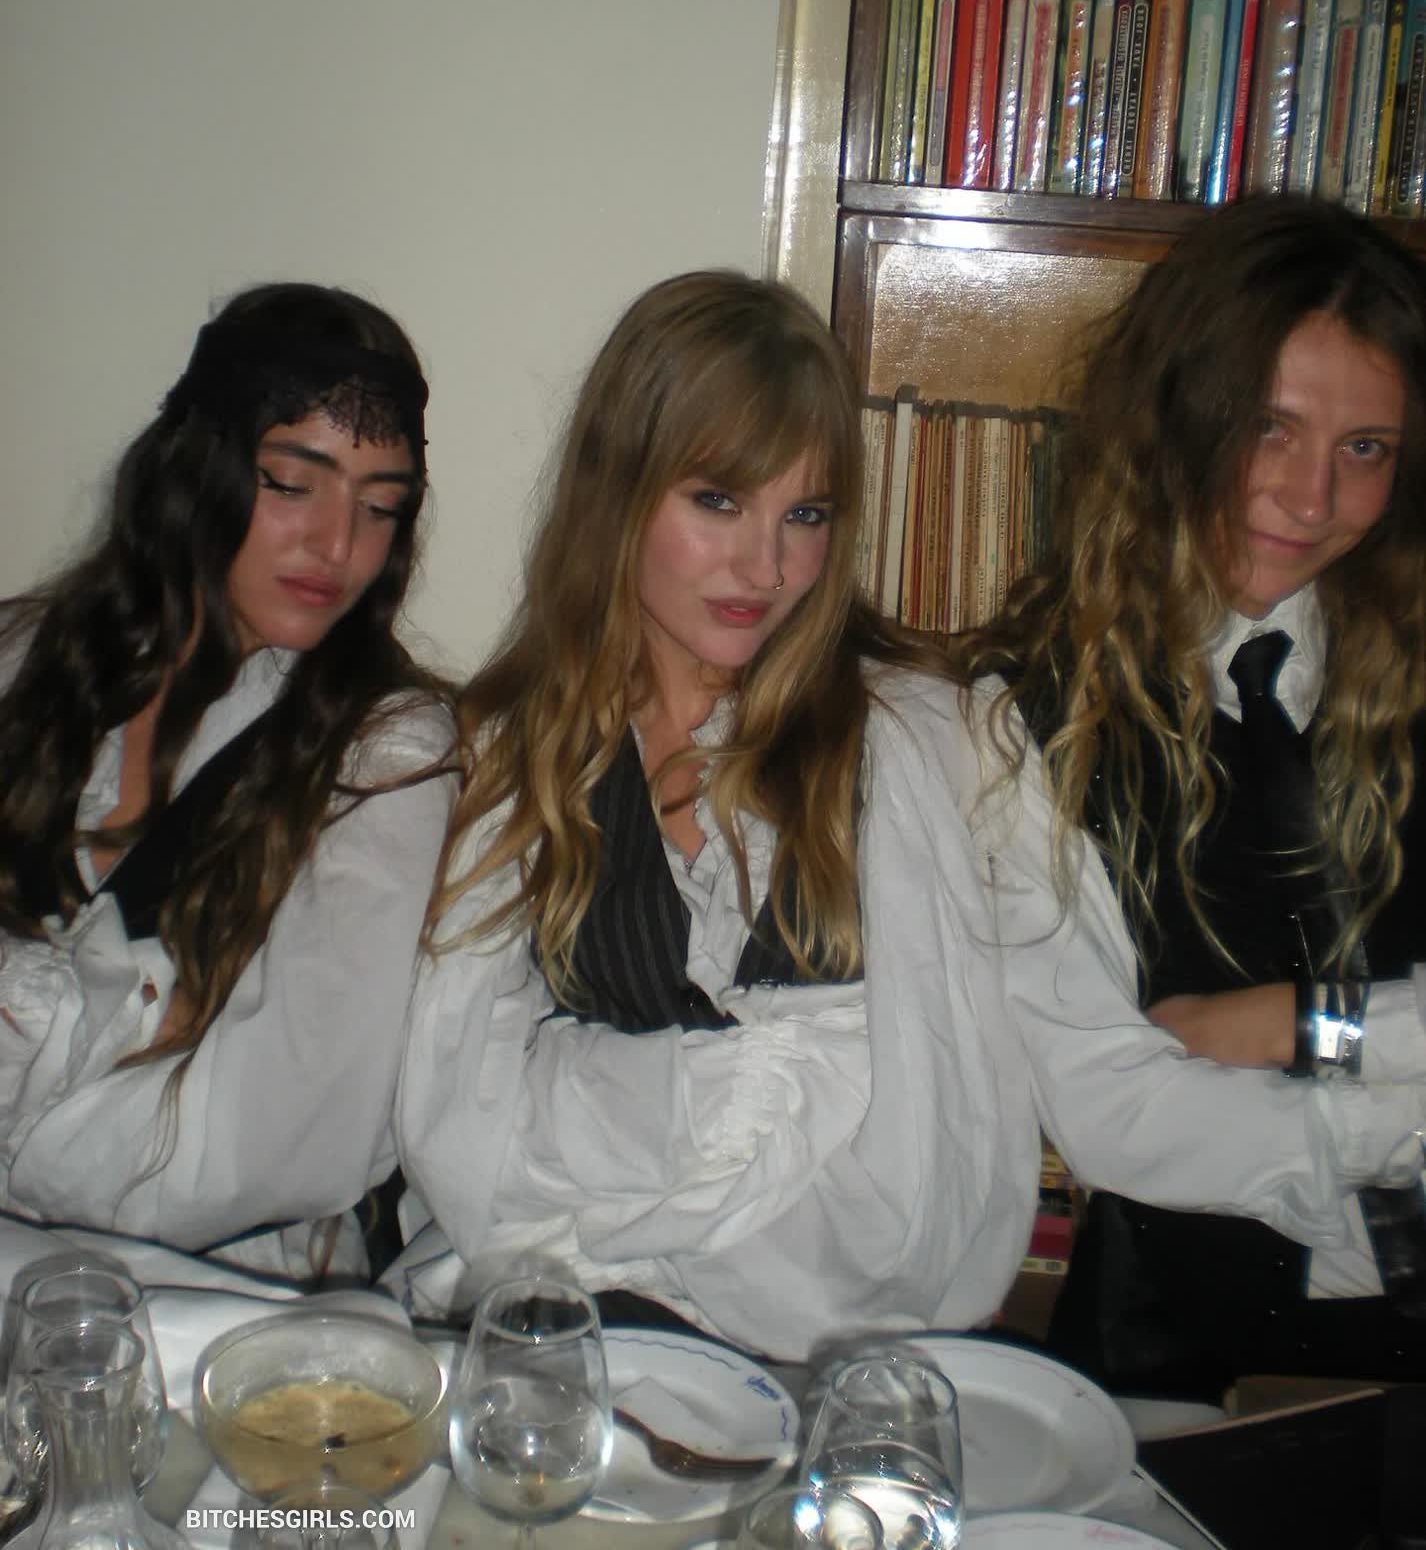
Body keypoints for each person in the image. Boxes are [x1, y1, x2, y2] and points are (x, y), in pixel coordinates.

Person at [394, 269, 1044, 1361]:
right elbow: (457, 1130)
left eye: (805, 515)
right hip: (574, 1340)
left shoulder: (919, 736)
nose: (767, 566)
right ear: (618, 490)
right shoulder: (514, 752)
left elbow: (943, 1167)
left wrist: (590, 1093)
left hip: (840, 1354)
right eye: (718, 502)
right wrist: (782, 1080)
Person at [943, 196, 1426, 1397]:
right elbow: (1120, 1114)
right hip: (1178, 1377)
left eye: (1365, 448)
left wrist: (1294, 1024)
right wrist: (1400, 1122)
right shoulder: (1020, 721)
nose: (1309, 500)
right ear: (1175, 417)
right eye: (1268, 427)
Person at [0, 283, 454, 1285]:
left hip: (202, 1312)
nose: (339, 545)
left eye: (381, 505)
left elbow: (295, 1128)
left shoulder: (387, 753)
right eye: (292, 483)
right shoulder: (22, 660)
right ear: (197, 467)